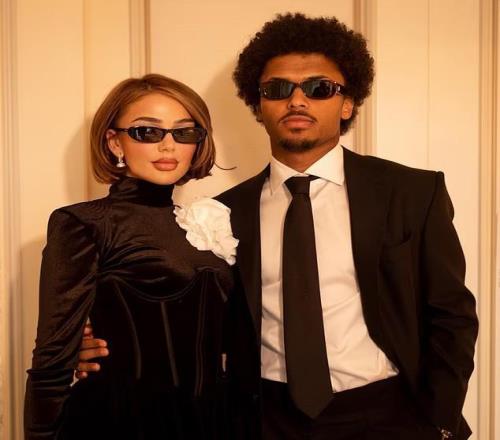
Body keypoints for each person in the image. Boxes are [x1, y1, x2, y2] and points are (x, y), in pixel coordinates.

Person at [78, 13, 479, 440]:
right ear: (258, 105)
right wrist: (87, 347)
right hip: (264, 420)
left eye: (319, 88)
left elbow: (452, 315)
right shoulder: (219, 215)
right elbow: (185, 320)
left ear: (347, 103)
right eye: (278, 89)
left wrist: (440, 420)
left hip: (389, 415)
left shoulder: (412, 192)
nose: (297, 101)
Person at [24, 74, 238, 439]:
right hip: (120, 423)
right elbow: (51, 363)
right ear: (114, 142)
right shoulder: (84, 222)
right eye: (147, 132)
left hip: (212, 423)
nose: (168, 146)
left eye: (184, 132)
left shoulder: (208, 222)